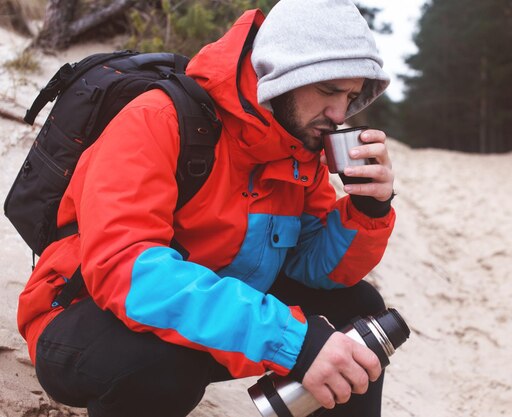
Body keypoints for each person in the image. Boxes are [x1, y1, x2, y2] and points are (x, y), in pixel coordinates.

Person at [17, 0, 396, 416]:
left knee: (359, 312)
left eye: (351, 96)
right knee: (161, 366)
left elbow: (313, 268)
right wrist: (294, 342)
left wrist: (368, 211)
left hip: (207, 316)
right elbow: (125, 270)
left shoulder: (298, 147)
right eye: (327, 90)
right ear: (280, 72)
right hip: (82, 316)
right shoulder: (157, 119)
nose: (339, 113)